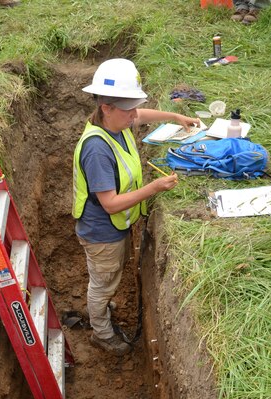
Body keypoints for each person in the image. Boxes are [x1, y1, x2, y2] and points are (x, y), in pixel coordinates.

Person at [72, 58, 199, 356]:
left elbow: (142, 114)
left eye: (133, 108)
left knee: (108, 277)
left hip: (115, 227)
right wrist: (153, 188)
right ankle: (101, 332)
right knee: (103, 281)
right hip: (101, 232)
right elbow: (110, 203)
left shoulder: (117, 121)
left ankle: (101, 303)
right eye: (128, 109)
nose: (134, 115)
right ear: (106, 106)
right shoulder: (97, 150)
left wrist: (175, 117)